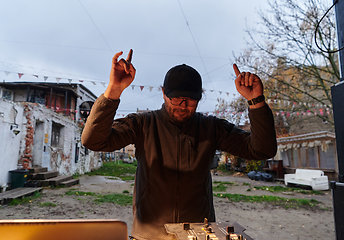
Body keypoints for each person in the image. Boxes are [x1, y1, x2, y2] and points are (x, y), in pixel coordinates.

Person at [81, 49, 277, 240]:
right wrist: (114, 90)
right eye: (177, 98)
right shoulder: (143, 124)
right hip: (149, 236)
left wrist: (256, 101)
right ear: (164, 93)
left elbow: (262, 149)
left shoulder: (211, 128)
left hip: (199, 234)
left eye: (191, 100)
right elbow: (93, 140)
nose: (183, 105)